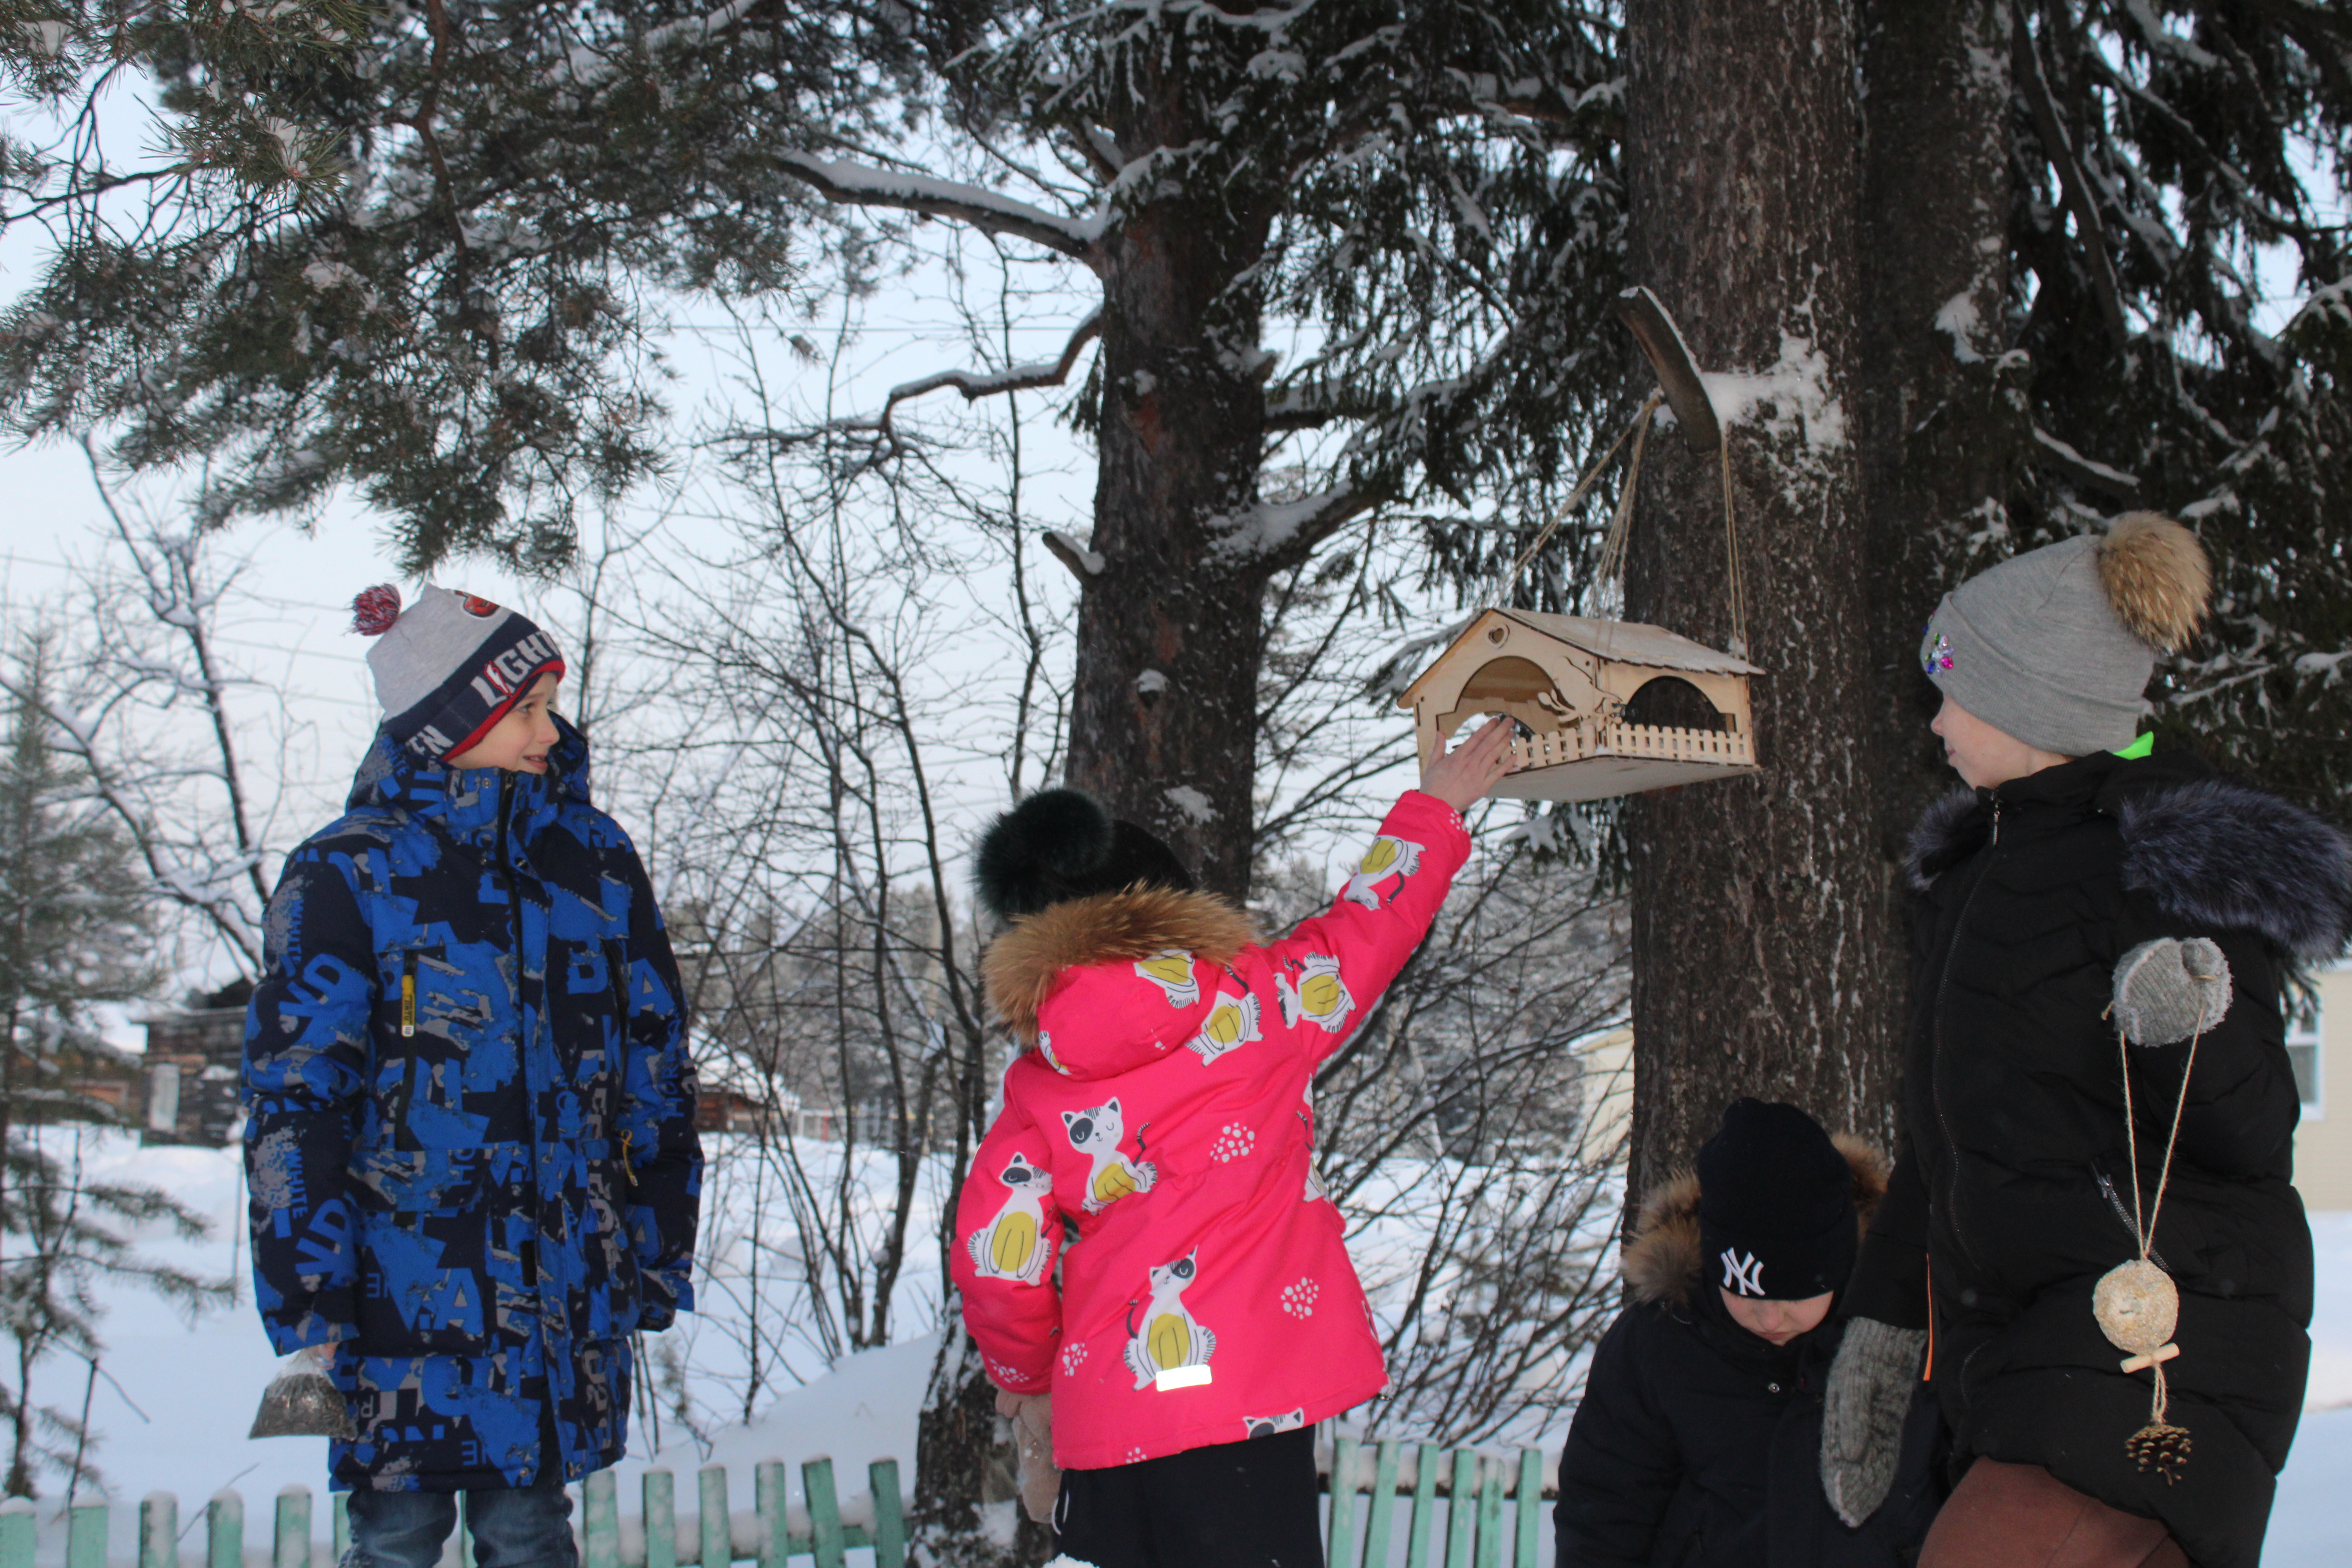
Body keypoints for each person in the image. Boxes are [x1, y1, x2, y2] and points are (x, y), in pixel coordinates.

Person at [1822, 515, 2352, 1568]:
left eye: (1955, 693)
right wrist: (1881, 1333)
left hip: (2156, 1338)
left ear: (2034, 708)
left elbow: (2250, 1131)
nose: (1935, 723)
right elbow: (1947, 1139)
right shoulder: (1980, 875)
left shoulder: (2164, 859)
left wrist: (2178, 1027)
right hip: (2020, 1346)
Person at [949, 717, 1519, 1568]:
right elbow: (1367, 929)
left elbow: (997, 1258)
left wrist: (1027, 1377)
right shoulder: (1263, 1008)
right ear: (1176, 910)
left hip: (1108, 1424)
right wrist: (1435, 808)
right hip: (1250, 1415)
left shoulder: (1041, 1084)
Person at [242, 584, 702, 1568]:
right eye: (526, 709)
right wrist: (309, 1297)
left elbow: (652, 1065)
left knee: (531, 1532)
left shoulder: (594, 864)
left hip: (555, 1296)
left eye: (548, 705)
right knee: (397, 1538)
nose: (551, 731)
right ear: (450, 722)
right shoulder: (347, 875)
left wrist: (654, 1245)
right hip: (395, 1298)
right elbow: (296, 1099)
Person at [1555, 1098, 1942, 1568]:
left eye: (1797, 1295)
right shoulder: (1661, 1341)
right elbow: (1605, 1511)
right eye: (1749, 1296)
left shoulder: (1908, 1330)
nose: (1772, 1318)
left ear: (1839, 1268)